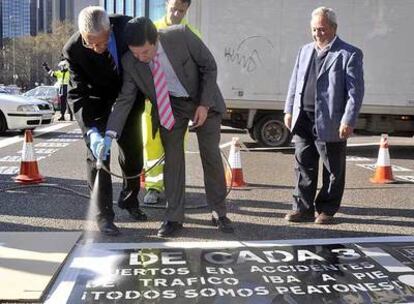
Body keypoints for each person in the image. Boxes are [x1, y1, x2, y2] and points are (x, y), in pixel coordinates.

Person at [100, 17, 234, 237]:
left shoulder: (180, 36)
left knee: (210, 155)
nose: (140, 58)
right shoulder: (130, 61)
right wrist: (110, 133)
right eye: (135, 53)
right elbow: (125, 99)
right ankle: (173, 217)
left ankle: (219, 212)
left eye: (145, 52)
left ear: (156, 39)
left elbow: (209, 67)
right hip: (170, 105)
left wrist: (203, 104)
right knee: (172, 160)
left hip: (202, 98)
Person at [62, 6, 147, 236]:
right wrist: (91, 132)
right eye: (91, 43)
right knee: (98, 157)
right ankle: (104, 216)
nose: (98, 49)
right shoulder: (73, 50)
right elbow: (76, 94)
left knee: (133, 154)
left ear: (110, 29)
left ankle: (130, 200)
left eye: (102, 42)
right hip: (96, 101)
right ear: (82, 34)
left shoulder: (129, 27)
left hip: (128, 97)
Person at [283, 6, 364, 224]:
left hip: (331, 121)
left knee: (333, 169)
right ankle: (302, 208)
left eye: (322, 29)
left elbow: (355, 92)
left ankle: (327, 209)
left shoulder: (349, 53)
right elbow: (295, 83)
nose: (318, 33)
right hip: (303, 118)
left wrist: (348, 119)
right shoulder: (305, 50)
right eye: (314, 29)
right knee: (303, 165)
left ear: (334, 28)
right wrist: (289, 109)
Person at [143, 0, 201, 205]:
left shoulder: (191, 33)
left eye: (181, 10)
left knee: (176, 146)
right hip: (153, 101)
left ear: (187, 9)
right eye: (173, 8)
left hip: (179, 103)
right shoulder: (150, 29)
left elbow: (197, 69)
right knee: (151, 144)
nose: (176, 13)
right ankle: (153, 187)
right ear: (166, 4)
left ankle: (172, 189)